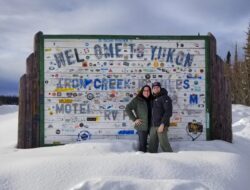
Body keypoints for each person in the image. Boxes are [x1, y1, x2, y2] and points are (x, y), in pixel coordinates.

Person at [125, 85, 152, 152]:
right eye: (145, 90)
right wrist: (134, 119)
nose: (146, 92)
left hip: (152, 125)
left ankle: (153, 160)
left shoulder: (153, 99)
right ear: (142, 91)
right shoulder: (137, 100)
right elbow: (128, 108)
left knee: (153, 144)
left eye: (148, 90)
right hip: (141, 125)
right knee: (143, 145)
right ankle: (142, 159)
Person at [148, 82, 173, 153]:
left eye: (157, 87)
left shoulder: (165, 98)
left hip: (161, 125)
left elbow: (168, 112)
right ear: (152, 89)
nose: (156, 89)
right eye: (154, 88)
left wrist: (162, 124)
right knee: (152, 146)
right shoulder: (152, 99)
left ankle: (173, 159)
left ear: (160, 88)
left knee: (164, 144)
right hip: (152, 126)